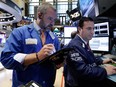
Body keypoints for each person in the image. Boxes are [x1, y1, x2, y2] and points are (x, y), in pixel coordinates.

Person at [0, 2, 61, 87]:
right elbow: (6, 59)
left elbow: (56, 62)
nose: (53, 23)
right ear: (40, 15)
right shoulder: (19, 33)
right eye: (50, 19)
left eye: (54, 20)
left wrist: (59, 63)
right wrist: (37, 56)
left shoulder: (54, 38)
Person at [64, 17, 116, 87]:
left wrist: (101, 61)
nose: (92, 32)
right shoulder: (74, 46)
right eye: (89, 29)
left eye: (93, 28)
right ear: (80, 29)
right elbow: (83, 71)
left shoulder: (83, 42)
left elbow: (88, 60)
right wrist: (105, 71)